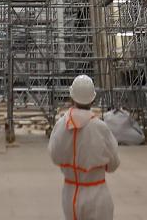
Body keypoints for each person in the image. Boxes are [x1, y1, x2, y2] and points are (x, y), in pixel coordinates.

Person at [48, 75, 120, 220]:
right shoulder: (100, 127)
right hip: (97, 192)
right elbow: (113, 164)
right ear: (92, 99)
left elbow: (54, 156)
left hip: (70, 193)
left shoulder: (61, 125)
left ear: (72, 97)